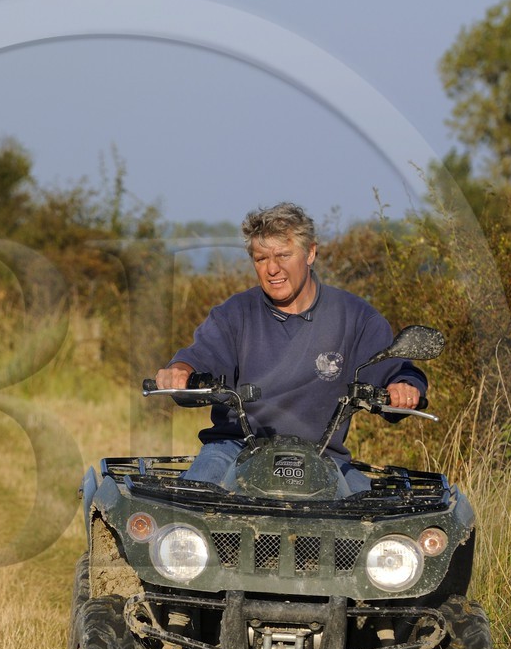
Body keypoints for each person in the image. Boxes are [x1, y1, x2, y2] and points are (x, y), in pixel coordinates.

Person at [153, 202, 427, 494]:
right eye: (261, 258)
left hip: (323, 456)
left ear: (310, 253)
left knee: (373, 516)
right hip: (234, 449)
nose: (272, 269)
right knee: (189, 505)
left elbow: (395, 372)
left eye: (283, 255)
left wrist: (404, 387)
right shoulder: (234, 314)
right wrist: (180, 372)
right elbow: (199, 357)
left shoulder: (356, 317)